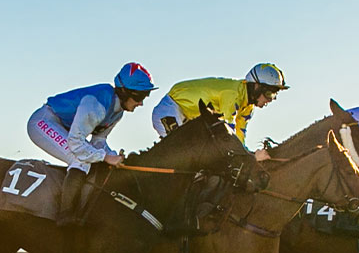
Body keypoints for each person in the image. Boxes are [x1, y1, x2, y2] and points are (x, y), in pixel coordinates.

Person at [29, 63, 156, 223]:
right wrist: (105, 157)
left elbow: (98, 140)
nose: (141, 103)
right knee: (80, 160)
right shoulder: (97, 104)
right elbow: (76, 143)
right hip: (43, 121)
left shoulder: (117, 113)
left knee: (93, 158)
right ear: (123, 91)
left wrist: (112, 156)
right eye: (139, 97)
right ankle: (65, 215)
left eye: (145, 97)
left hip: (64, 128)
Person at [150, 64, 287, 148]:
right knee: (183, 150)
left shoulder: (248, 107)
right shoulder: (233, 95)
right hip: (170, 109)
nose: (271, 100)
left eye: (274, 95)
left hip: (188, 117)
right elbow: (229, 132)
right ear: (256, 87)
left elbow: (239, 137)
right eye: (269, 93)